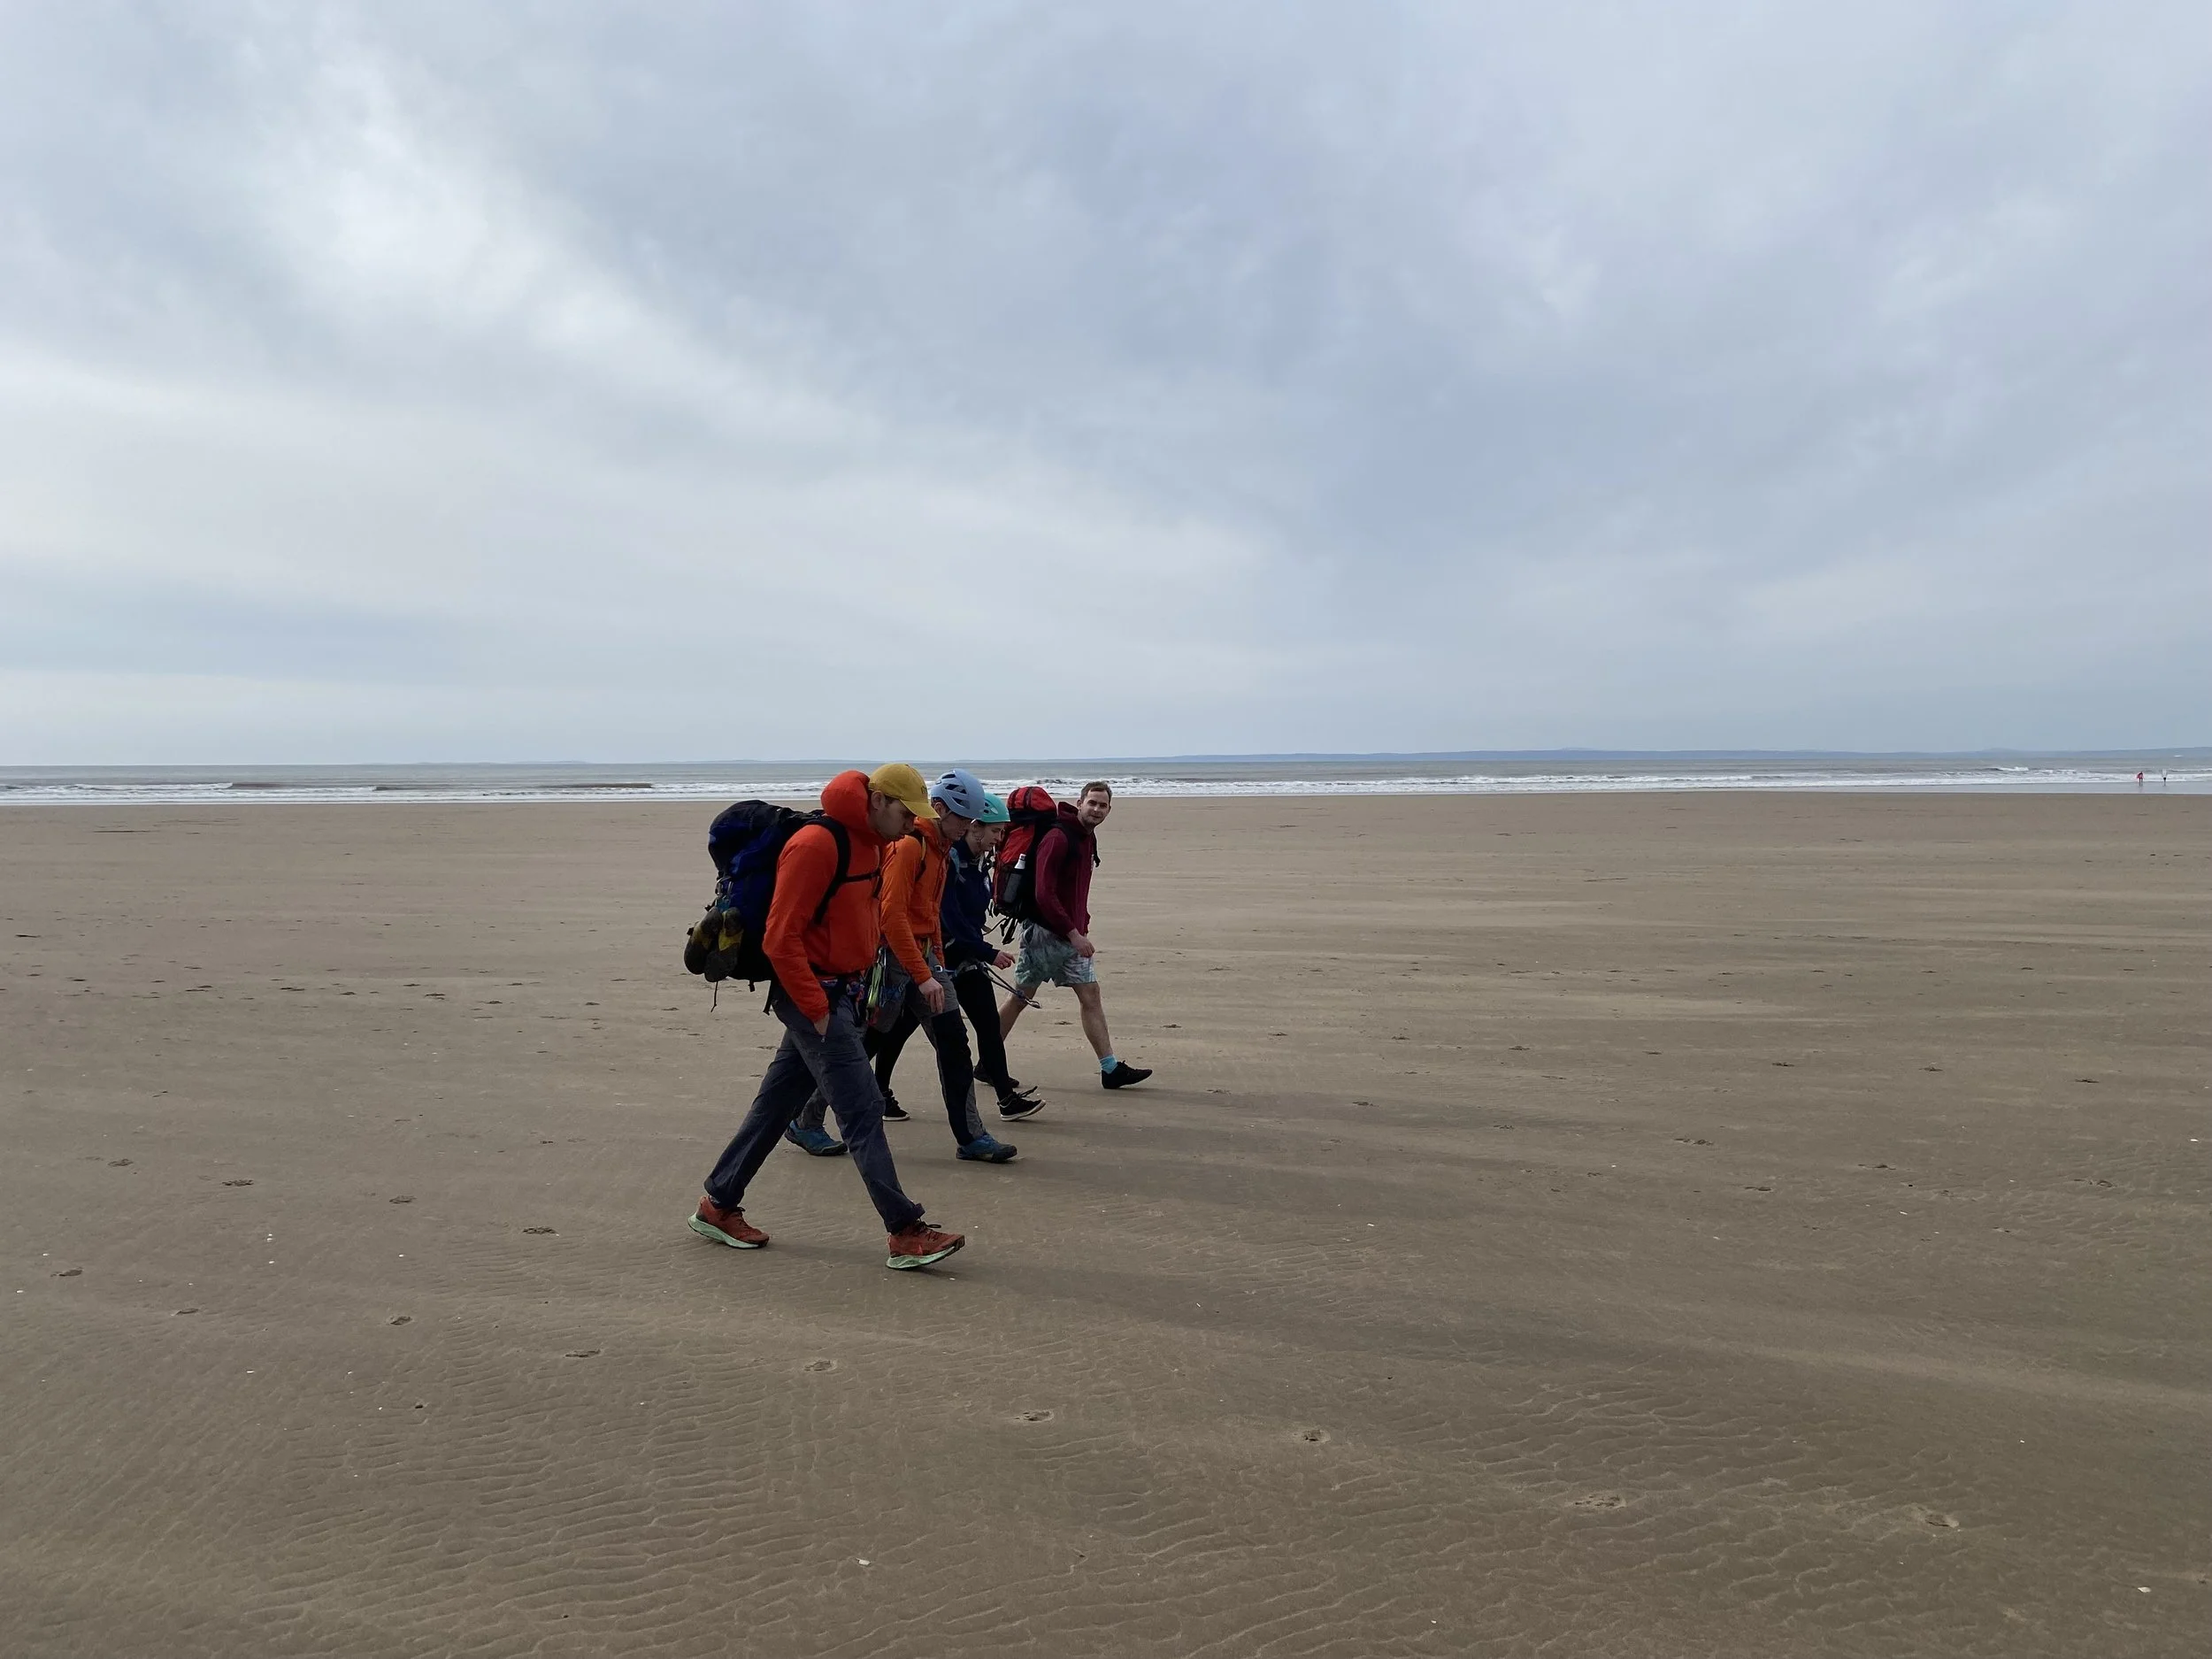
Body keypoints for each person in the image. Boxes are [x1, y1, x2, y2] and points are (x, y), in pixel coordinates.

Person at [687, 764, 965, 1270]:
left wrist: (875, 985)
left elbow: (866, 919)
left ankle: (718, 1203)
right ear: (878, 800)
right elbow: (779, 937)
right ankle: (905, 1230)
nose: (911, 825)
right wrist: (816, 1011)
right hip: (812, 997)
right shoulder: (816, 845)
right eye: (906, 813)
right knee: (862, 1111)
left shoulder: (877, 843)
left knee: (774, 1107)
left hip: (846, 993)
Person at [787, 768, 1018, 1163]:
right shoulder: (912, 847)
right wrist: (925, 974)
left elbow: (929, 916)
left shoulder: (942, 850)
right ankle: (805, 1120)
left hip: (923, 959)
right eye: (962, 818)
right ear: (941, 809)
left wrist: (937, 968)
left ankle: (972, 1137)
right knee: (861, 1045)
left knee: (953, 1046)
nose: (968, 826)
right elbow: (892, 917)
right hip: (889, 961)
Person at [1000, 780, 1152, 1089]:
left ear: (1109, 810)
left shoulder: (1085, 837)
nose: (1096, 809)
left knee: (1063, 995)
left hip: (1064, 933)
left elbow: (1073, 889)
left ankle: (1110, 1069)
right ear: (1080, 802)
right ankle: (988, 1060)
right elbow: (1044, 894)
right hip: (1047, 933)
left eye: (1103, 805)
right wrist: (1073, 934)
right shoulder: (1058, 837)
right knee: (1031, 996)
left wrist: (1082, 921)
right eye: (1092, 803)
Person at [940, 791, 1046, 1121]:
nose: (1000, 839)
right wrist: (988, 952)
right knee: (892, 1033)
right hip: (940, 963)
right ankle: (879, 1091)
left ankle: (1006, 1099)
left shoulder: (977, 863)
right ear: (975, 827)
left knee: (988, 1025)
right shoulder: (949, 861)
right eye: (997, 832)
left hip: (968, 961)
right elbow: (949, 916)